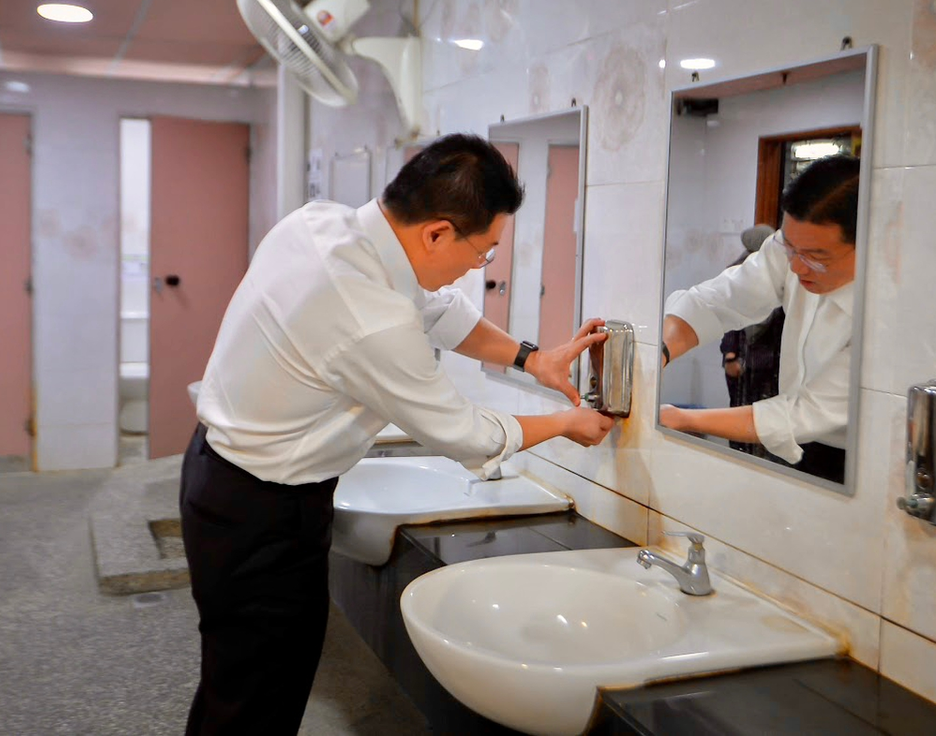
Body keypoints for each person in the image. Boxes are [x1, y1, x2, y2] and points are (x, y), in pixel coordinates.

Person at [179, 133, 616, 735]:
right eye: (483, 252)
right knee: (254, 698)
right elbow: (463, 434)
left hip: (223, 477)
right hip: (261, 510)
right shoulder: (368, 317)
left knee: (244, 680)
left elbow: (435, 310)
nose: (476, 268)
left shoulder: (323, 225)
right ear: (437, 232)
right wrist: (567, 423)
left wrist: (532, 359)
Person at [659, 155, 859, 482]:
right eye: (790, 248)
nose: (796, 267)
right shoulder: (792, 249)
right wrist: (659, 353)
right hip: (796, 450)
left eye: (816, 258)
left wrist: (683, 420)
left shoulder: (889, 313)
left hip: (857, 463)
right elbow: (720, 300)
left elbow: (802, 413)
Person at [718, 224, 783, 457]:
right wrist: (731, 354)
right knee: (744, 413)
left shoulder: (777, 274)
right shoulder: (739, 272)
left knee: (755, 415)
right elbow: (729, 321)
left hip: (763, 360)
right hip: (749, 359)